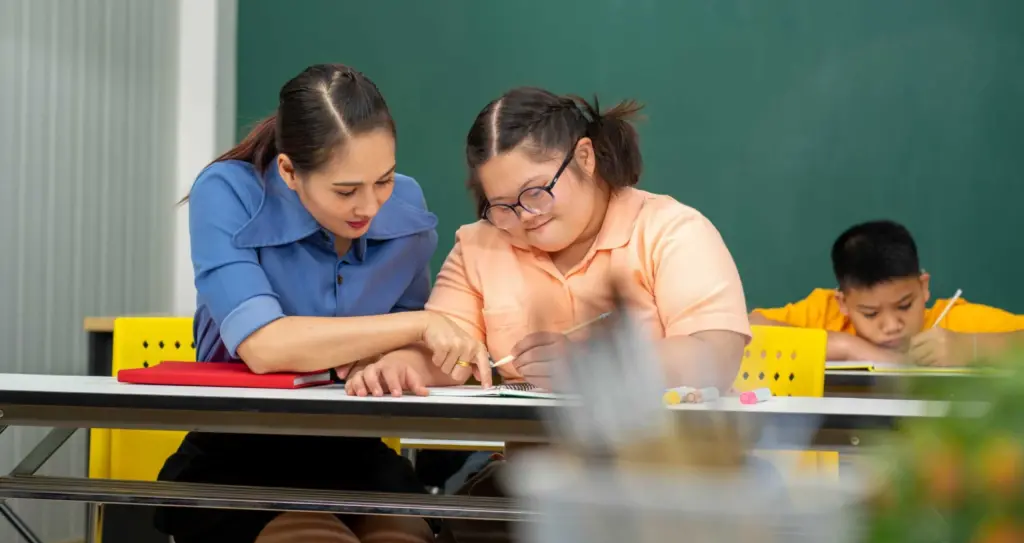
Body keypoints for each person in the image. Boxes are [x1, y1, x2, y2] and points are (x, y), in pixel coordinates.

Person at [155, 64, 491, 543]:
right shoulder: (228, 191)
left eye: (383, 179)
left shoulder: (406, 206)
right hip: (239, 453)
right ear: (289, 172)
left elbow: (410, 355)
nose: (370, 205)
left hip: (354, 451)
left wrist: (408, 358)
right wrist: (418, 327)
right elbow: (264, 346)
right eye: (345, 190)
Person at [345, 87, 751, 397]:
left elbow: (715, 356)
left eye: (536, 192)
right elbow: (452, 353)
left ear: (585, 158)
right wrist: (400, 367)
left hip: (664, 478)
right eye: (501, 205)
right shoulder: (480, 245)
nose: (524, 217)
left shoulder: (670, 231)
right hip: (532, 477)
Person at [749, 220, 1024, 366]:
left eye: (905, 306)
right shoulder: (826, 315)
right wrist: (849, 348)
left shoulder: (952, 322)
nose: (892, 325)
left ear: (923, 287)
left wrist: (971, 348)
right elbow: (746, 330)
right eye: (870, 313)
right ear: (843, 303)